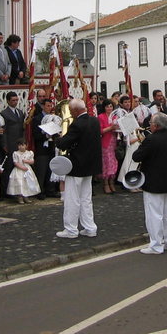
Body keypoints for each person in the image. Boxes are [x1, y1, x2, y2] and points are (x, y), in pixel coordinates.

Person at [133, 112, 167, 254]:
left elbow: (136, 157)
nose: (150, 125)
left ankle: (156, 244)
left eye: (151, 123)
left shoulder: (151, 139)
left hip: (153, 181)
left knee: (154, 214)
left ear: (155, 125)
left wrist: (141, 145)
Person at [55, 99, 102, 238]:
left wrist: (58, 139)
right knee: (86, 198)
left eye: (71, 110)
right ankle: (90, 227)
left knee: (72, 198)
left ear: (76, 110)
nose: (70, 113)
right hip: (90, 165)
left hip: (77, 165)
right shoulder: (94, 121)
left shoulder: (77, 124)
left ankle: (71, 229)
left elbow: (64, 143)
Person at [0, 91, 25, 197]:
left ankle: (18, 191)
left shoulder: (20, 112)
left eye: (16, 100)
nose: (15, 102)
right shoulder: (4, 114)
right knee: (9, 167)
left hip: (19, 144)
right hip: (10, 143)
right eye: (13, 100)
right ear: (8, 101)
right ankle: (7, 191)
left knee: (19, 168)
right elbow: (3, 131)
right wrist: (5, 144)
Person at [32, 97, 58, 200]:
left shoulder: (53, 118)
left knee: (51, 170)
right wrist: (45, 136)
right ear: (43, 106)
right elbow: (35, 134)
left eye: (51, 106)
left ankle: (50, 190)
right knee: (41, 170)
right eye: (47, 106)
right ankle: (40, 191)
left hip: (51, 147)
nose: (49, 108)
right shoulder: (37, 118)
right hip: (41, 147)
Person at [98, 100, 119, 194]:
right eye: (107, 106)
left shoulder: (115, 116)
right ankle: (106, 183)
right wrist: (111, 128)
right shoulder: (101, 117)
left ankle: (112, 182)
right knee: (106, 162)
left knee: (113, 162)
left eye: (111, 106)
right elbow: (100, 130)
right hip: (105, 142)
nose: (109, 108)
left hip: (114, 141)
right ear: (104, 107)